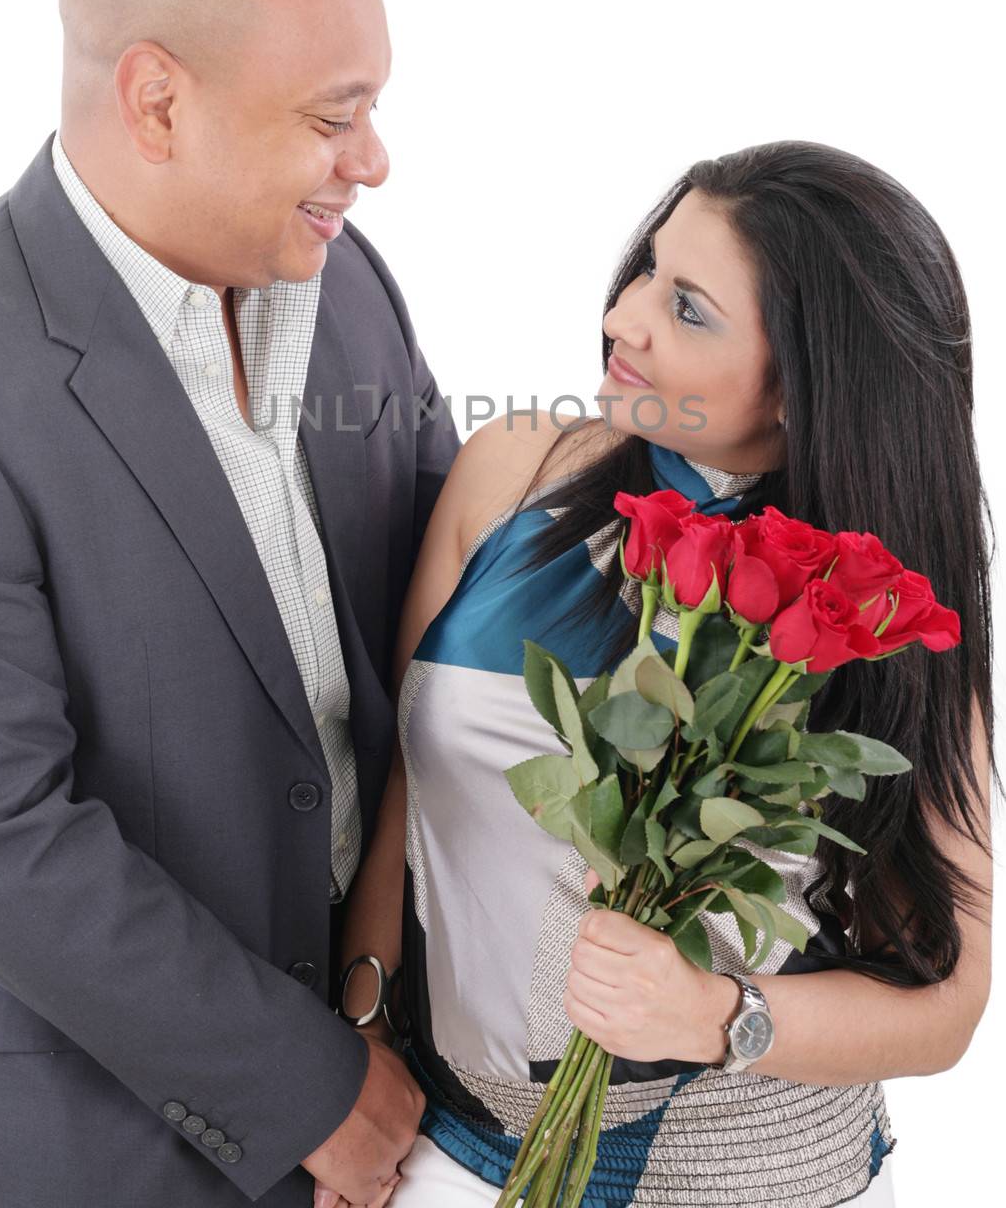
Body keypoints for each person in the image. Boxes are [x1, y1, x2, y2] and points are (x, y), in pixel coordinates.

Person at [334, 143, 995, 1208]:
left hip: (749, 1178)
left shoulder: (874, 614)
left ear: (803, 387)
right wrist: (357, 1039)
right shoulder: (516, 471)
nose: (623, 318)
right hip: (452, 1140)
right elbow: (401, 798)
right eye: (644, 268)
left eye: (687, 306)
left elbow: (944, 1004)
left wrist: (711, 1013)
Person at [0, 0, 460, 1207]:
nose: (374, 161)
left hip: (409, 1098)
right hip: (107, 1142)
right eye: (333, 118)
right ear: (157, 100)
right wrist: (304, 1089)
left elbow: (442, 615)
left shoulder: (346, 284)